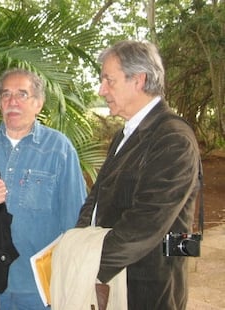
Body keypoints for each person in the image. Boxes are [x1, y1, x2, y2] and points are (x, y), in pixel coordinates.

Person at [76, 40, 201, 309]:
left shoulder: (172, 139)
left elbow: (144, 224)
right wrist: (80, 240)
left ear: (139, 80)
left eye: (109, 80)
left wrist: (87, 263)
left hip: (146, 289)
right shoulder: (125, 133)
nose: (101, 90)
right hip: (113, 282)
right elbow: (96, 198)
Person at [0, 68, 87, 309]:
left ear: (39, 103)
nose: (12, 101)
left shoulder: (59, 149)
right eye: (5, 95)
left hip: (37, 287)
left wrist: (72, 279)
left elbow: (74, 220)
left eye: (22, 94)